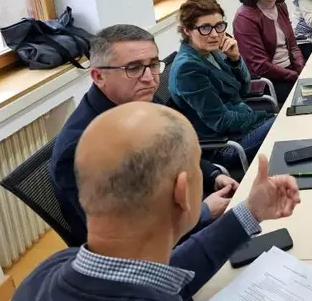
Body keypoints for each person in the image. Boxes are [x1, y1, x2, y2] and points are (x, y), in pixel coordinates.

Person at [14, 102, 307, 301]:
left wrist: (251, 211)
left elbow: (164, 276)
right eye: (196, 168)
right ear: (182, 192)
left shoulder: (49, 269)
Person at [50, 25, 238, 246]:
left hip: (180, 208)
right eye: (134, 68)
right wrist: (203, 213)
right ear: (99, 76)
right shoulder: (80, 149)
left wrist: (213, 175)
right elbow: (124, 235)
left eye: (153, 64)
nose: (150, 78)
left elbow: (175, 151)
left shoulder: (140, 100)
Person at [170, 0, 275, 171]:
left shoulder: (210, 51)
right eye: (205, 28)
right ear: (187, 30)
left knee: (290, 122)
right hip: (224, 145)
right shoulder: (188, 68)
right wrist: (262, 115)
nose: (214, 34)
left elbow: (243, 89)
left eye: (219, 26)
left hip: (240, 127)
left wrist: (235, 59)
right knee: (287, 124)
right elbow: (221, 121)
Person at [234, 0, 305, 105]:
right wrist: (294, 75)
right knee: (310, 100)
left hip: (290, 71)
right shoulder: (245, 17)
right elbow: (259, 66)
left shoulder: (280, 5)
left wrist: (301, 67)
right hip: (269, 82)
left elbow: (292, 45)